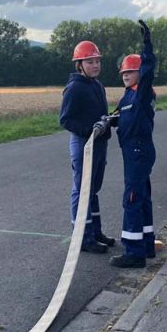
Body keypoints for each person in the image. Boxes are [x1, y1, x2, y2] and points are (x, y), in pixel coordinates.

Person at [59, 40, 115, 253]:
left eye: (97, 61)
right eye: (90, 62)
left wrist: (109, 121)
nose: (95, 65)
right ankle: (82, 238)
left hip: (99, 143)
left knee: (93, 190)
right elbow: (65, 119)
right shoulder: (74, 88)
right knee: (82, 191)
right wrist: (89, 130)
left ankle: (95, 232)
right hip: (84, 144)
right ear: (79, 64)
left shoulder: (97, 85)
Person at [109, 20, 157, 268]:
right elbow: (122, 116)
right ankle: (147, 245)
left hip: (138, 150)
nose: (125, 75)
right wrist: (109, 121)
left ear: (139, 73)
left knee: (132, 199)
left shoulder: (142, 92)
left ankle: (133, 253)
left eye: (130, 71)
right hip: (133, 151)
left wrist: (147, 46)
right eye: (123, 73)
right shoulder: (128, 95)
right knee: (143, 198)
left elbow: (148, 70)